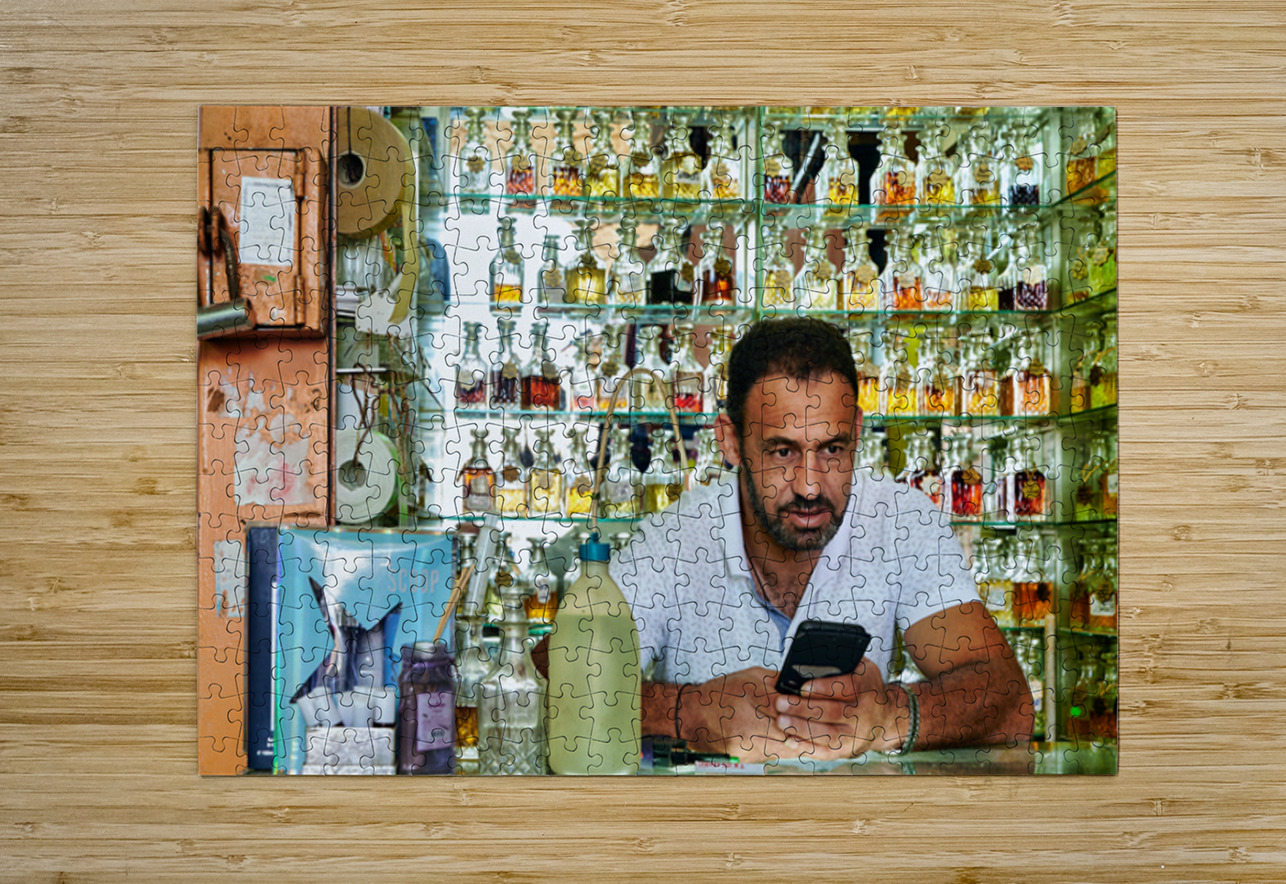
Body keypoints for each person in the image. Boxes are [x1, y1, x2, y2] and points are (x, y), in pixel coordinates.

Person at [611, 317, 1033, 763]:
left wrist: (890, 715)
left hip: (856, 826)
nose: (810, 486)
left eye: (832, 449)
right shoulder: (675, 536)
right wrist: (686, 711)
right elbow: (559, 681)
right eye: (782, 451)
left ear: (856, 430)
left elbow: (1011, 705)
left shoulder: (901, 520)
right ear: (730, 442)